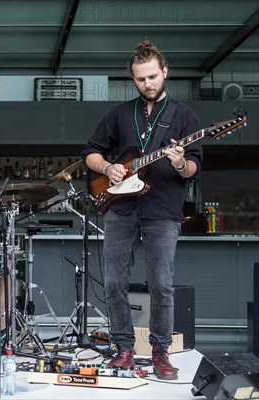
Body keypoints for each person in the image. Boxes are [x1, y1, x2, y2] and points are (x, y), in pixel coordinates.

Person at [81, 38, 202, 380]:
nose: (147, 83)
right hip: (120, 208)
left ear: (165, 72)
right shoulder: (119, 114)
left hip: (163, 209)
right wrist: (107, 169)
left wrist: (179, 163)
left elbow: (193, 167)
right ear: (133, 79)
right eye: (140, 79)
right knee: (114, 282)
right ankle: (123, 349)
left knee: (161, 283)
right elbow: (89, 152)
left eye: (152, 76)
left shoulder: (184, 116)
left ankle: (161, 352)